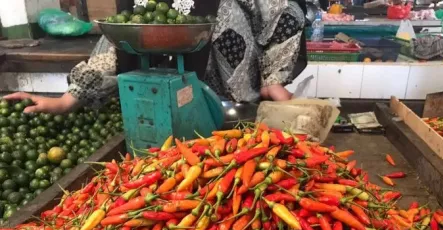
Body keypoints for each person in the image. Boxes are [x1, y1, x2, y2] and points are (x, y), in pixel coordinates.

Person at [5, 0, 307, 114]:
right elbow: (123, 38)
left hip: (234, 104)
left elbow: (284, 12)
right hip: (162, 102)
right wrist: (68, 99)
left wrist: (273, 78)